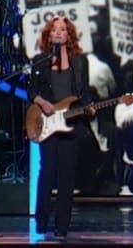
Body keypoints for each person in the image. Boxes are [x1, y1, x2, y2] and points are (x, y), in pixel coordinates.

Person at [28, 16, 95, 239]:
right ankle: (41, 220)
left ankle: (62, 226)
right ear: (48, 35)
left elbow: (83, 91)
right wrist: (42, 102)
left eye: (63, 30)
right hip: (47, 123)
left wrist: (88, 107)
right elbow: (31, 91)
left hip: (70, 123)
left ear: (69, 35)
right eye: (54, 30)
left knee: (67, 175)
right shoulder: (39, 60)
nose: (58, 33)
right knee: (47, 171)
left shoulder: (79, 61)